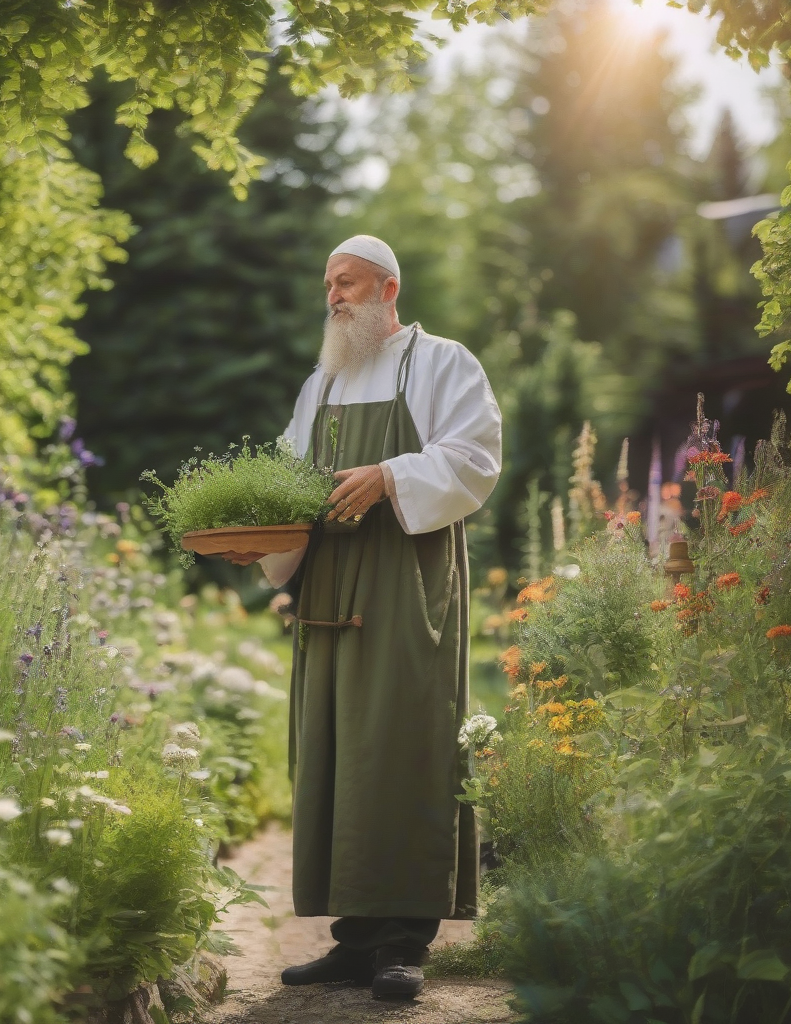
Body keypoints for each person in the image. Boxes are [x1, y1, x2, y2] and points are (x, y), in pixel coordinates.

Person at [259, 235, 503, 1000]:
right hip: (330, 587)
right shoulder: (319, 386)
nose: (335, 296)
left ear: (389, 288)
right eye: (329, 283)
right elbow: (286, 482)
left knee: (401, 743)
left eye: (350, 282)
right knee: (335, 749)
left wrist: (390, 474)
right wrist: (256, 531)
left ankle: (403, 943)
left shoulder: (443, 363)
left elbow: (474, 456)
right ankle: (354, 939)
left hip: (405, 579)